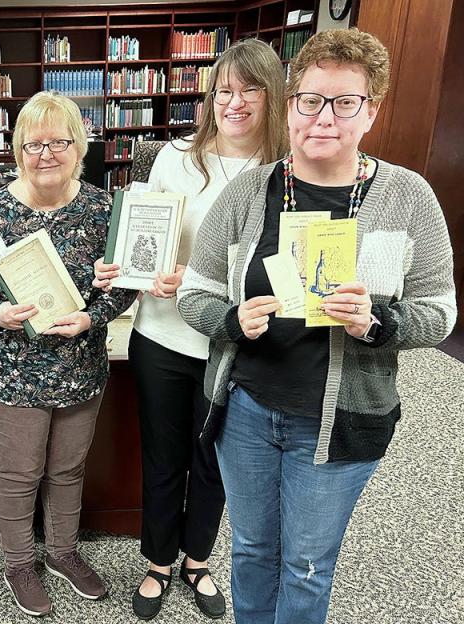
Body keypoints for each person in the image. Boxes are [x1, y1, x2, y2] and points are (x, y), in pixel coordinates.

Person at [177, 28, 456, 624]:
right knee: (251, 550)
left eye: (344, 102)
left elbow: (439, 312)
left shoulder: (408, 197)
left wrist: (379, 323)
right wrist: (230, 318)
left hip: (343, 417)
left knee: (306, 562)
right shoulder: (250, 192)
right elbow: (195, 294)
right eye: (310, 100)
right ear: (291, 104)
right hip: (247, 410)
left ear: (370, 111)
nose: (323, 117)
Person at [94, 39, 287, 621]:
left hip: (234, 341)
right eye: (223, 90)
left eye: (249, 90)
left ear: (273, 97)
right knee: (162, 453)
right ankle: (157, 563)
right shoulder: (173, 157)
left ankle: (196, 559)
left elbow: (280, 264)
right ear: (209, 98)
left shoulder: (284, 169)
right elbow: (144, 237)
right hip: (162, 333)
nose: (234, 102)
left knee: (215, 459)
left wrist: (204, 284)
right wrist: (124, 265)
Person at [0, 91, 138, 618]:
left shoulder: (103, 210)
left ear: (79, 147)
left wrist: (94, 315)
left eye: (58, 142)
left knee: (68, 469)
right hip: (9, 371)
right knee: (18, 472)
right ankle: (18, 563)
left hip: (79, 367)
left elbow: (124, 285)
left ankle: (62, 553)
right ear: (17, 150)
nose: (46, 153)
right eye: (33, 144)